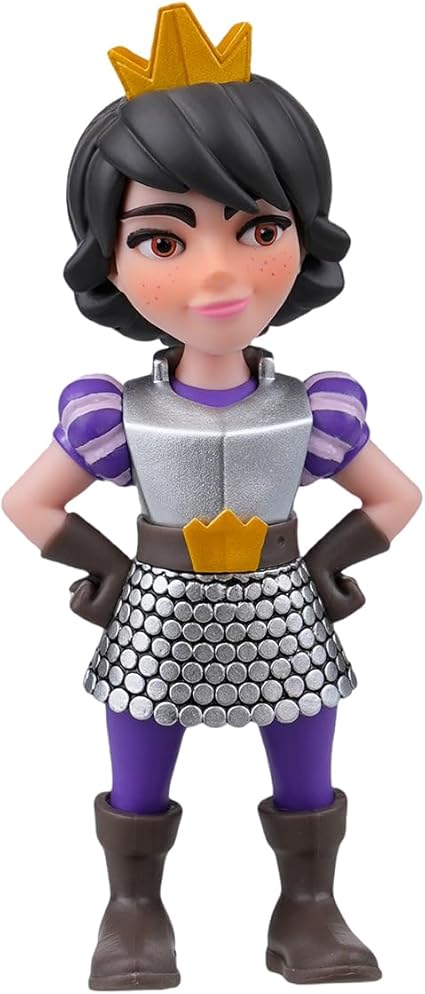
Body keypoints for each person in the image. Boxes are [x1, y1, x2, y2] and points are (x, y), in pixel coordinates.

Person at [2, 4, 421, 990]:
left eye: (258, 229)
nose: (219, 273)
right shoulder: (117, 414)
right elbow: (28, 502)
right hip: (157, 608)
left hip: (283, 605)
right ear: (109, 260)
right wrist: (109, 571)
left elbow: (396, 497)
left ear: (303, 239)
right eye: (163, 239)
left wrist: (328, 564)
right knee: (139, 766)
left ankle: (307, 907)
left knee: (305, 757)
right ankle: (132, 911)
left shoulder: (313, 410)